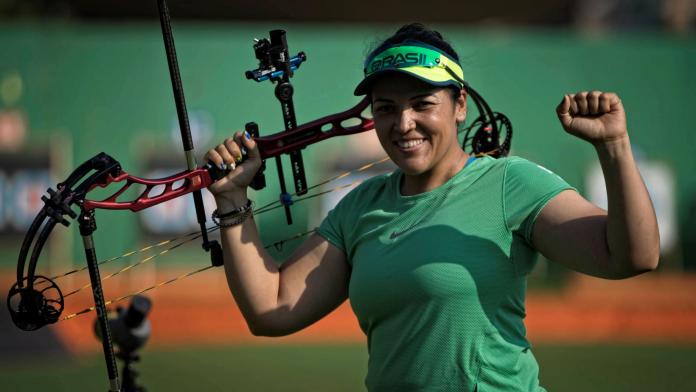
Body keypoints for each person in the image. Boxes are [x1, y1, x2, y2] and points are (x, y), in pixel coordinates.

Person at [204, 23, 660, 392]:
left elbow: (631, 256)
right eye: (386, 108)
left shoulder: (508, 182)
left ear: (459, 105)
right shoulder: (361, 206)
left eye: (423, 103)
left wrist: (614, 147)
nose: (404, 124)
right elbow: (272, 308)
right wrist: (231, 198)